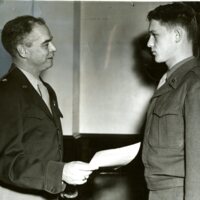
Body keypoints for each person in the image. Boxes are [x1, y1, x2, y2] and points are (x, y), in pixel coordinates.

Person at [0, 15, 96, 200]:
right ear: (23, 51)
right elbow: (5, 161)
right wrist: (58, 173)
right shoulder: (6, 92)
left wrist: (62, 183)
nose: (54, 48)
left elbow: (44, 148)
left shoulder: (45, 90)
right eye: (46, 44)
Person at [142, 2, 200, 200]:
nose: (149, 43)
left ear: (177, 35)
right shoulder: (169, 82)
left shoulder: (194, 83)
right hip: (159, 191)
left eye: (155, 35)